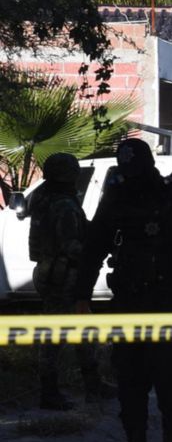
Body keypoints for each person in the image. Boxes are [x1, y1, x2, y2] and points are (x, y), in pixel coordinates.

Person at [74, 139, 172, 442]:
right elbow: (94, 249)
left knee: (165, 371)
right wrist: (82, 295)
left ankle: (171, 441)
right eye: (127, 172)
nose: (132, 178)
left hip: (168, 298)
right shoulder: (117, 198)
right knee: (129, 376)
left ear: (149, 166)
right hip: (128, 299)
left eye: (136, 171)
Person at [28, 153, 111, 410]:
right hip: (63, 276)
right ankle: (50, 392)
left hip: (52, 273)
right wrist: (95, 249)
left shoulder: (46, 199)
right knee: (56, 335)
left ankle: (92, 384)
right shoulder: (63, 204)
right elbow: (71, 245)